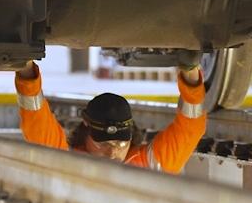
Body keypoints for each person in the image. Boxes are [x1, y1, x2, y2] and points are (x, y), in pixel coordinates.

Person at [13, 60, 206, 174]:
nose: (112, 153)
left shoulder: (152, 164)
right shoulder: (65, 160)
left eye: (121, 144)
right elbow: (37, 125)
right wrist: (26, 70)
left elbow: (190, 128)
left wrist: (191, 72)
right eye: (103, 144)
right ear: (86, 129)